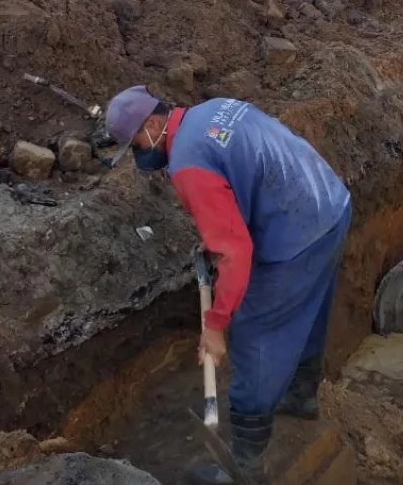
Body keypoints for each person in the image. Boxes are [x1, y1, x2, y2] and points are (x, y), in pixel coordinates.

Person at [104, 86, 352, 484]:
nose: (136, 152)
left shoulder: (187, 165)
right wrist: (221, 235)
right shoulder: (214, 110)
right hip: (330, 204)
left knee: (254, 335)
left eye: (134, 142)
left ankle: (245, 466)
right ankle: (301, 396)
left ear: (151, 125)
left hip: (296, 236)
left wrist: (217, 324)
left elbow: (236, 254)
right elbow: (248, 170)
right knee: (308, 309)